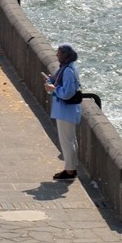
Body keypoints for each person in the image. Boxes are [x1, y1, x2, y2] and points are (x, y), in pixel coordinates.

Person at [44, 43, 82, 181]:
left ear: (66, 55)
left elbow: (67, 93)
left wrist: (53, 89)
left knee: (67, 141)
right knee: (70, 140)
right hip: (66, 111)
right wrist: (51, 83)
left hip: (66, 111)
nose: (57, 55)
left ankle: (70, 170)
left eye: (59, 53)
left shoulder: (68, 71)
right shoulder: (66, 69)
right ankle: (71, 167)